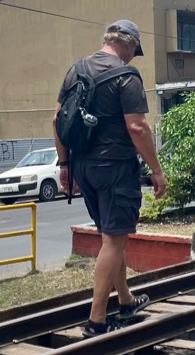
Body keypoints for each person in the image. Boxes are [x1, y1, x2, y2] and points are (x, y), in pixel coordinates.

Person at [54, 19, 167, 336]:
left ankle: (126, 300)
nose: (133, 57)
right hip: (115, 167)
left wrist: (65, 165)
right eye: (134, 51)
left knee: (111, 238)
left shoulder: (76, 70)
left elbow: (57, 119)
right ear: (128, 43)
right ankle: (97, 320)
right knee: (114, 241)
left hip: (83, 166)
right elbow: (137, 127)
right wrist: (156, 170)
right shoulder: (126, 75)